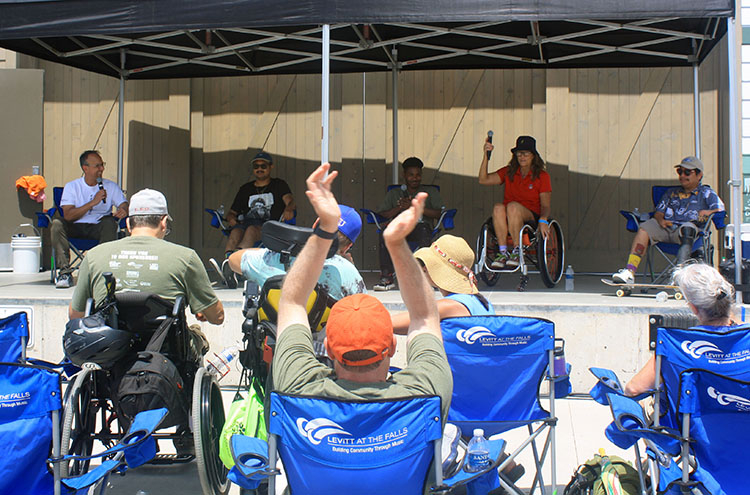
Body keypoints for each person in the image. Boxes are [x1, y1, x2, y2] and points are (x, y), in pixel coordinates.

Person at [270, 162, 453, 425]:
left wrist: (326, 229)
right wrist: (397, 244)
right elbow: (425, 317)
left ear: (329, 350)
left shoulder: (298, 387)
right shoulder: (425, 396)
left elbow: (292, 301)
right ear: (392, 346)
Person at [69, 187, 224, 342]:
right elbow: (217, 317)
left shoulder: (94, 256)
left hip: (110, 352)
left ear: (129, 224)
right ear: (163, 222)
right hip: (165, 353)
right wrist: (204, 309)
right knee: (197, 336)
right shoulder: (185, 257)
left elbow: (75, 315)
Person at [624, 263, 737, 396]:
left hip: (689, 416)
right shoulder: (745, 338)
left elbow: (634, 389)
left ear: (693, 308)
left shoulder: (676, 344)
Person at [612, 156, 725, 285]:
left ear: (699, 175)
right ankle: (630, 272)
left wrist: (707, 212)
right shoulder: (671, 192)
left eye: (687, 172)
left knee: (688, 227)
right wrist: (660, 220)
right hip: (666, 228)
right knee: (645, 228)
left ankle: (679, 274)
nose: (682, 175)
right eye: (680, 172)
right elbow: (659, 212)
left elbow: (720, 210)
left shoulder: (706, 193)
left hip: (689, 233)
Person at [227, 204, 366, 299]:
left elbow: (234, 259)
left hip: (279, 337)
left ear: (315, 224)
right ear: (347, 247)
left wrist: (267, 252)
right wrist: (349, 267)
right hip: (323, 341)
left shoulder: (273, 260)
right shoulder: (349, 274)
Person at [213, 151, 295, 288]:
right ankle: (229, 267)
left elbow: (290, 201)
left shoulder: (279, 185)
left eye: (263, 165)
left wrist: (289, 209)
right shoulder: (245, 189)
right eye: (256, 166)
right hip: (245, 224)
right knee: (235, 232)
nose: (259, 169)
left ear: (270, 167)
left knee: (251, 230)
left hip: (269, 226)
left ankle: (235, 266)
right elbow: (232, 212)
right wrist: (231, 218)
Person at [52, 150, 128, 289]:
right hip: (75, 227)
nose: (101, 169)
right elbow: (68, 215)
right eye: (97, 166)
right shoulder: (72, 187)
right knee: (57, 224)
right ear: (85, 168)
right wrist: (93, 202)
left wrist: (123, 209)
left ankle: (102, 270)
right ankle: (64, 273)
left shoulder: (110, 186)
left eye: (102, 165)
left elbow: (123, 204)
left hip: (98, 227)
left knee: (110, 223)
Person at [391, 234, 494, 334]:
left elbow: (390, 324)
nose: (423, 268)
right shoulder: (483, 302)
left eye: (426, 265)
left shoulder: (449, 306)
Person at [478, 136, 552, 269]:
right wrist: (485, 156)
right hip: (508, 214)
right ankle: (502, 252)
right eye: (519, 154)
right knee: (498, 207)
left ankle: (517, 251)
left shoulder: (542, 176)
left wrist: (543, 219)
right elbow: (483, 180)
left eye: (526, 154)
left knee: (512, 207)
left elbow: (546, 205)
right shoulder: (509, 171)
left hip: (530, 215)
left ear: (533, 156)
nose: (522, 157)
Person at [373, 157, 445, 291]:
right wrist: (400, 208)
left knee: (424, 230)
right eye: (411, 175)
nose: (415, 178)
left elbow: (438, 213)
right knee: (385, 233)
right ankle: (387, 277)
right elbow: (384, 214)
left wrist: (414, 206)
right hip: (400, 228)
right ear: (404, 175)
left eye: (418, 175)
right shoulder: (394, 193)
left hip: (421, 227)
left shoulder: (430, 192)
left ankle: (425, 275)